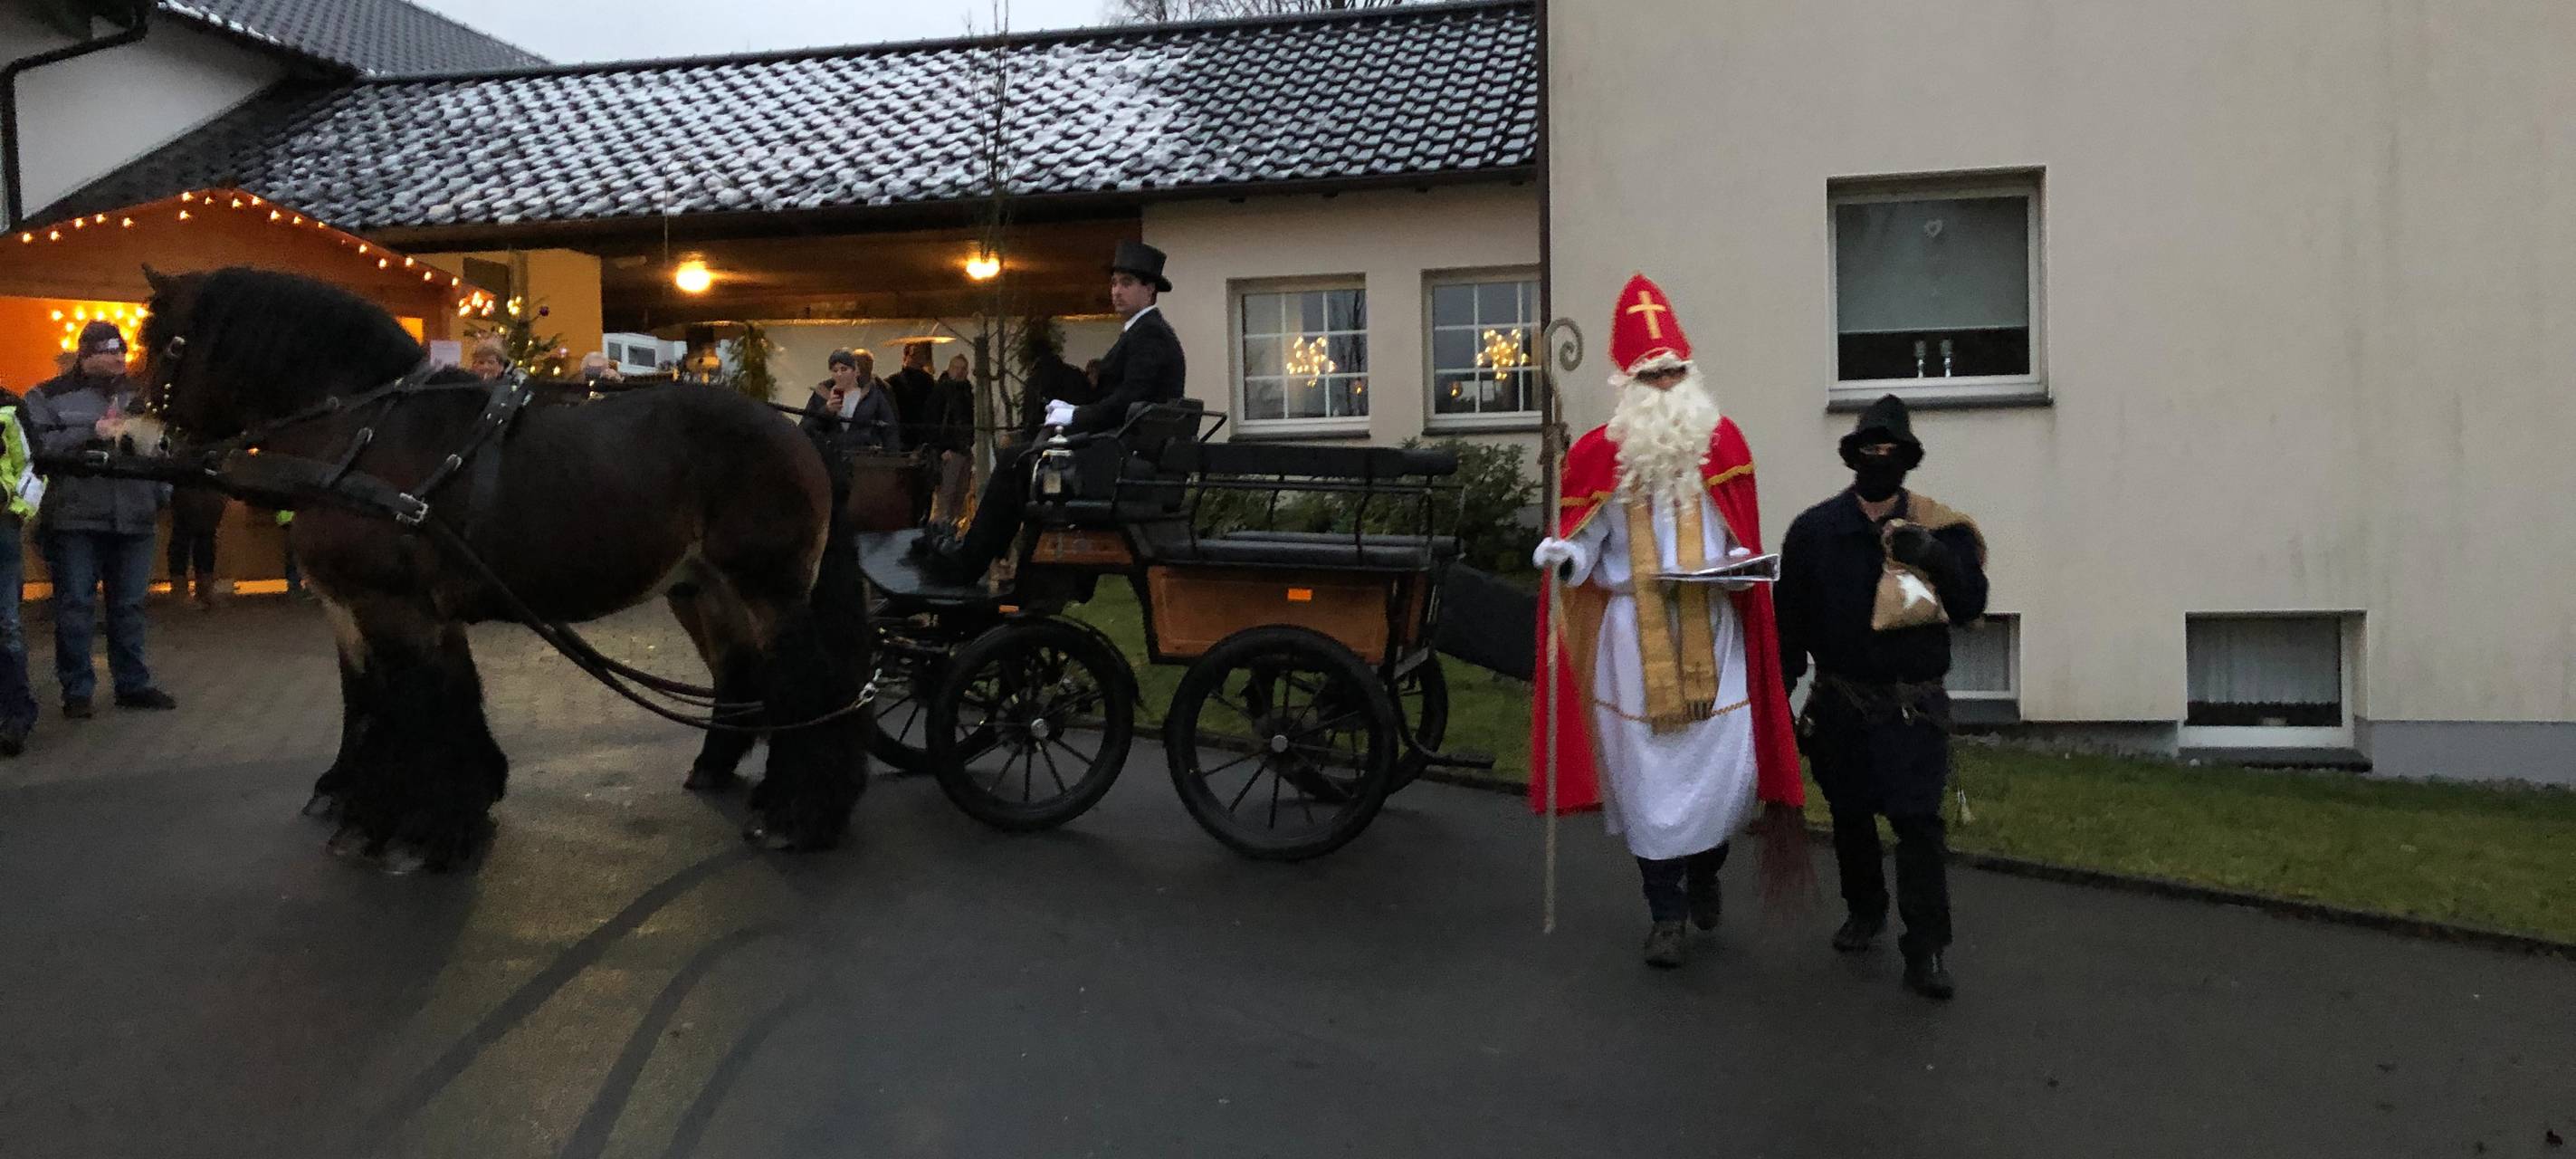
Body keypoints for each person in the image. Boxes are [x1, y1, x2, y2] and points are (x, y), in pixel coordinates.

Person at [1529, 273, 1804, 969]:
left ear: (1690, 374)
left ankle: (1707, 868)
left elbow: (1739, 537)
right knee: (1649, 784)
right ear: (1627, 384)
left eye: (1673, 372)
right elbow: (1585, 556)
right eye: (1651, 377)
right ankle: (1666, 915)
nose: (1665, 386)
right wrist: (1564, 554)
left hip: (1714, 633)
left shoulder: (1724, 443)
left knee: (1721, 775)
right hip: (1632, 646)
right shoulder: (1597, 455)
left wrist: (1744, 568)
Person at [1774, 393, 1989, 1001]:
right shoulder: (1815, 532)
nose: (1879, 461)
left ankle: (1926, 950)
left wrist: (1937, 558)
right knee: (1849, 813)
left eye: (1890, 452)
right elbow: (1788, 625)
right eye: (1869, 451)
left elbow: (1973, 604)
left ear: (1906, 460)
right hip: (1840, 703)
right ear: (1853, 458)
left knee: (1919, 826)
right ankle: (1865, 907)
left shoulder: (1941, 528)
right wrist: (1778, 701)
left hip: (1913, 707)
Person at [917, 241, 1184, 581]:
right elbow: (1125, 400)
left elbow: (1129, 403)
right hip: (1119, 452)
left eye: (1127, 283)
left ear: (1149, 290)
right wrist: (1073, 409)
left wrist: (1075, 417)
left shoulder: (1150, 337)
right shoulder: (1145, 333)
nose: (1116, 291)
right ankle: (990, 557)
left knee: (1015, 460)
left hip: (1120, 459)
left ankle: (969, 560)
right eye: (1114, 282)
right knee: (1025, 453)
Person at [22, 321, 178, 718]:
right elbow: (36, 447)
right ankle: (77, 691)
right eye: (108, 352)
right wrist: (92, 431)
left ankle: (133, 684)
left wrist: (163, 495)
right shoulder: (46, 396)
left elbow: (165, 446)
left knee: (129, 605)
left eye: (120, 353)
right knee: (75, 605)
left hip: (135, 517)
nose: (117, 360)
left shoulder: (143, 396)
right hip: (75, 518)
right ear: (85, 354)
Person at [0, 383, 40, 755]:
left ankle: (15, 718)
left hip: (0, 531)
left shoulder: (9, 406)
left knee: (6, 626)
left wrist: (16, 514)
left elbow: (32, 465)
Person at [798, 349, 901, 454]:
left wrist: (892, 459)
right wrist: (826, 410)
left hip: (865, 459)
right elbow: (805, 429)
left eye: (844, 369)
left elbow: (890, 429)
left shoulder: (872, 394)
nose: (839, 374)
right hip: (829, 458)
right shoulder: (821, 394)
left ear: (855, 371)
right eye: (835, 370)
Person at [167, 485, 226, 610]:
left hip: (209, 478)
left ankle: (205, 587)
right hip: (185, 477)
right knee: (183, 531)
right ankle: (180, 589)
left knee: (208, 531)